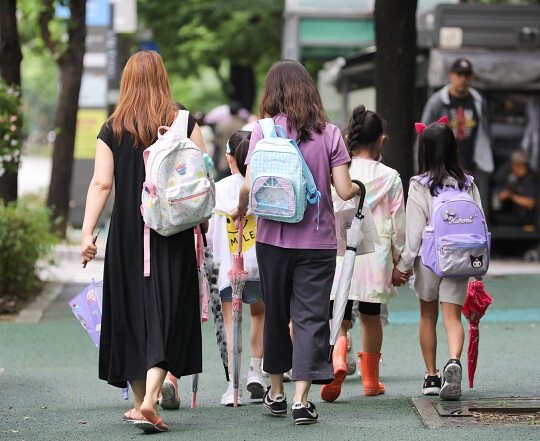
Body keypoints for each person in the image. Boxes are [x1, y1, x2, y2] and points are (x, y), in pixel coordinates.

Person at [80, 51, 205, 434]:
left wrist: (87, 234)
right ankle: (148, 400)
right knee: (168, 309)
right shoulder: (182, 122)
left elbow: (102, 183)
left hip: (129, 234)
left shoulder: (113, 127)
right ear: (163, 79)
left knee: (132, 311)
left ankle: (141, 401)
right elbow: (200, 174)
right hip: (173, 231)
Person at [232, 59, 361, 425]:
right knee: (309, 318)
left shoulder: (261, 131)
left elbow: (247, 185)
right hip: (318, 242)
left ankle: (275, 391)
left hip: (272, 238)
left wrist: (241, 210)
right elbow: (343, 189)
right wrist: (358, 188)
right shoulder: (331, 133)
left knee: (276, 314)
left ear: (272, 91)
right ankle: (302, 400)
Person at [321, 106, 407, 403]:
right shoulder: (391, 177)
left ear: (349, 137)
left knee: (340, 316)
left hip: (341, 252)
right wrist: (399, 262)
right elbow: (398, 225)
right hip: (376, 255)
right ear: (380, 140)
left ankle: (339, 356)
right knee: (371, 317)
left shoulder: (338, 173)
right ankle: (371, 381)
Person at [394, 121, 484, 401]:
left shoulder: (419, 185)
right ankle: (454, 360)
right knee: (452, 318)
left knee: (427, 316)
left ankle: (431, 376)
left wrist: (403, 266)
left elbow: (415, 234)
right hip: (460, 259)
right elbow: (479, 223)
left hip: (429, 261)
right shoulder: (468, 183)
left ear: (425, 150)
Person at [207, 130, 266, 406]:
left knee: (231, 321)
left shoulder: (218, 189)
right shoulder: (261, 186)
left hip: (227, 267)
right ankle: (256, 370)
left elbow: (208, 234)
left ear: (230, 158)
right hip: (257, 265)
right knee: (258, 315)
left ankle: (234, 387)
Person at [419, 58, 493, 209]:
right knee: (443, 209)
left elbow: (485, 133)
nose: (462, 79)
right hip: (444, 167)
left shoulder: (478, 101)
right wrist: (422, 165)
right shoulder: (437, 102)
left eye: (466, 75)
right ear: (451, 75)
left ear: (472, 77)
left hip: (474, 165)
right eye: (459, 74)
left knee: (475, 208)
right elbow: (423, 133)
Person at [492, 150, 536, 226]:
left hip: (527, 216)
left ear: (519, 165)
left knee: (499, 220)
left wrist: (511, 196)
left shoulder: (531, 179)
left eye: (514, 165)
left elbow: (531, 204)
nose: (512, 168)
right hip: (513, 212)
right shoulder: (512, 177)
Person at [214, 101, 247, 180]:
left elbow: (216, 142)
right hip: (240, 162)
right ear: (239, 112)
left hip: (224, 161)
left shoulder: (222, 126)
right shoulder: (244, 125)